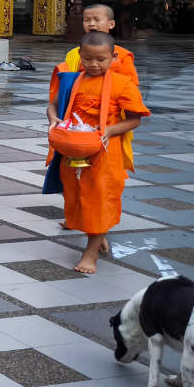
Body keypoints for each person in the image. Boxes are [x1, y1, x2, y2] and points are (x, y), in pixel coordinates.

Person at [46, 31, 148, 274]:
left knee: (100, 200)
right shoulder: (72, 80)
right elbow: (53, 105)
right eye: (88, 59)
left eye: (100, 60)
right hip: (75, 150)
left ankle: (90, 253)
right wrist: (53, 119)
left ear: (113, 58)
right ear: (80, 56)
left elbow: (134, 120)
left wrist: (111, 130)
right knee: (77, 198)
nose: (93, 65)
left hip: (105, 152)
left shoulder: (122, 84)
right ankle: (96, 233)